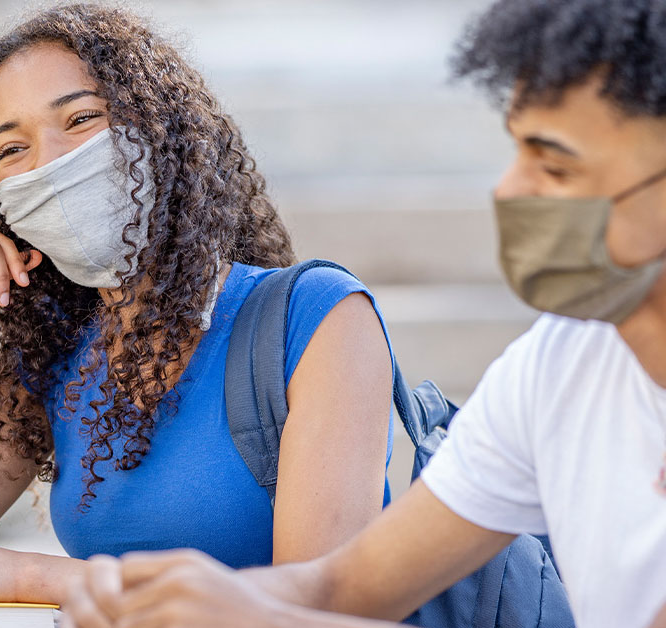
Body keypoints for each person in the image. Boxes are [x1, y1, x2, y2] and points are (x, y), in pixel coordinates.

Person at [63, 0, 666, 627]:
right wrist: (196, 595)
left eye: (555, 164)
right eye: (517, 151)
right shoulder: (560, 364)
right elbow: (347, 588)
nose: (510, 190)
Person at [0, 3, 397, 606]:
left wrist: (31, 576)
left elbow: (320, 605)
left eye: (80, 119)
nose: (48, 165)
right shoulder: (58, 351)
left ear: (160, 132)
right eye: (12, 149)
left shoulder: (318, 317)